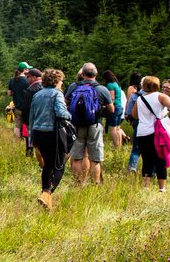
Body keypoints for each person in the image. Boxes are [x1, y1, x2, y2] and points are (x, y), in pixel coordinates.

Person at [65, 63, 114, 185]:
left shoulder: (73, 87)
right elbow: (112, 109)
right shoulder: (102, 89)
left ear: (82, 74)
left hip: (76, 125)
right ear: (96, 74)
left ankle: (78, 184)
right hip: (94, 125)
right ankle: (95, 184)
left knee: (76, 157)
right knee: (95, 159)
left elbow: (65, 103)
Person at [28, 68, 70, 210]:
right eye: (61, 81)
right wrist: (69, 115)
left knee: (48, 164)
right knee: (59, 165)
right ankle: (46, 193)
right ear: (57, 81)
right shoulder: (57, 94)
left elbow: (32, 117)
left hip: (38, 133)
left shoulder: (37, 94)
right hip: (52, 133)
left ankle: (46, 197)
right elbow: (60, 113)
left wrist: (31, 137)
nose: (62, 84)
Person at [130, 76, 170, 191]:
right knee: (160, 159)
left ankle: (146, 186)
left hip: (142, 132)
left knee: (146, 159)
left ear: (144, 86)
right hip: (157, 132)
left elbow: (134, 115)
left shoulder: (140, 99)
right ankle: (162, 187)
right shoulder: (160, 96)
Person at [15, 67, 43, 157]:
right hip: (44, 118)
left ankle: (29, 154)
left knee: (29, 138)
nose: (27, 79)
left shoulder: (31, 90)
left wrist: (25, 121)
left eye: (28, 77)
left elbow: (26, 107)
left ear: (34, 77)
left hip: (31, 119)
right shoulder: (46, 87)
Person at [7, 62, 30, 153]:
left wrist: (15, 93)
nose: (28, 71)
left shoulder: (12, 80)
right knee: (25, 124)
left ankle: (16, 143)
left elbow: (9, 93)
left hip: (16, 107)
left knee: (17, 125)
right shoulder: (27, 81)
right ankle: (25, 141)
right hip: (26, 107)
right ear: (24, 70)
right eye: (27, 69)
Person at [102, 69, 127, 149]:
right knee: (118, 128)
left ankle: (116, 146)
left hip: (115, 107)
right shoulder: (117, 84)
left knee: (113, 129)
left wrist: (107, 106)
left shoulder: (110, 85)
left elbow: (111, 98)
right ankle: (119, 145)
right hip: (120, 107)